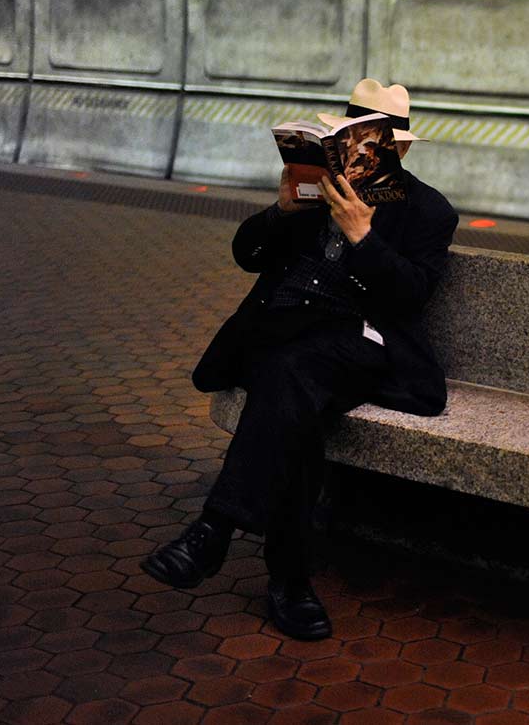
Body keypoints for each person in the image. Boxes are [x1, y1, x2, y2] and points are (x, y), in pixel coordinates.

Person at [141, 80, 458, 639]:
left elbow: (411, 296)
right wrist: (282, 211)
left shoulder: (428, 211)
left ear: (400, 149)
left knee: (288, 377)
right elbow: (247, 255)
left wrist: (363, 236)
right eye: (352, 140)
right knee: (294, 404)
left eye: (375, 143)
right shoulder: (317, 186)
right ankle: (287, 581)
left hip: (360, 340)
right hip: (284, 331)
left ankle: (214, 530)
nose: (361, 154)